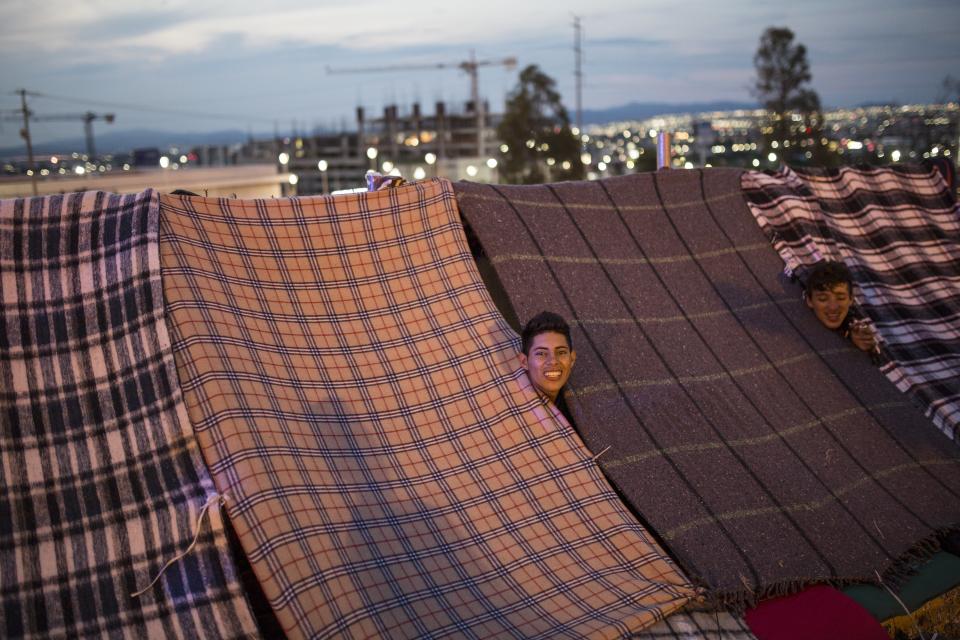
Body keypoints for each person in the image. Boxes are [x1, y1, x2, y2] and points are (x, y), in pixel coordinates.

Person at [803, 260, 878, 353]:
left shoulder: (855, 326)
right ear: (809, 301)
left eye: (841, 298)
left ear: (851, 299)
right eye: (823, 299)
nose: (833, 307)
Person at [518, 311, 577, 418]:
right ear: (524, 362)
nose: (553, 361)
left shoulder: (577, 409)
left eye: (561, 352)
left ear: (572, 359)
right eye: (541, 353)